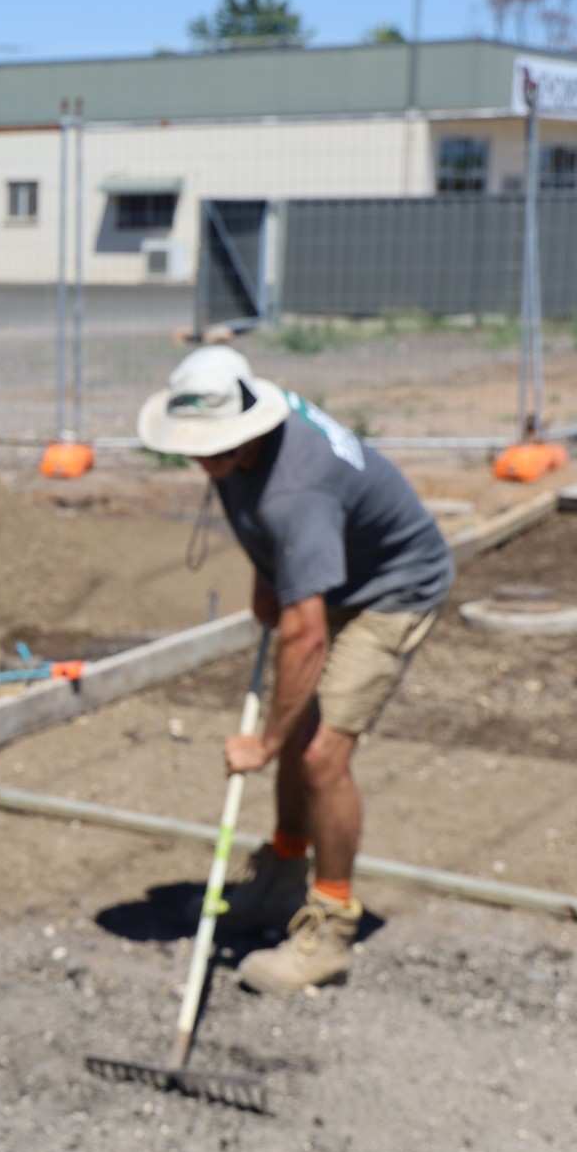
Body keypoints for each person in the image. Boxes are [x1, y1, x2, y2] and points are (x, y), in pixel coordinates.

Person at [136, 346, 454, 994]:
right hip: (333, 572)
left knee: (316, 755)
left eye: (212, 449)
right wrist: (268, 572)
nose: (203, 461)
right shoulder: (242, 437)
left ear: (244, 431)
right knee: (297, 726)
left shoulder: (297, 490)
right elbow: (260, 519)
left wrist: (267, 741)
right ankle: (281, 876)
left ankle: (330, 926)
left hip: (393, 588)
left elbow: (304, 634)